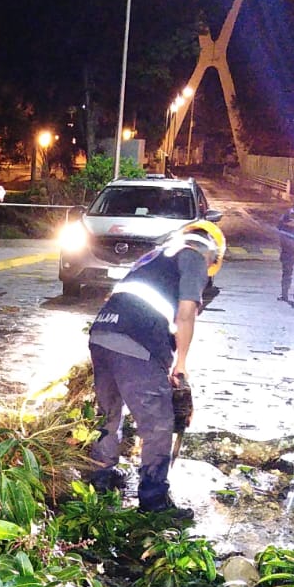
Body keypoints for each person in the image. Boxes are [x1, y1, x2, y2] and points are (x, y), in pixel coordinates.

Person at [87, 220, 226, 519]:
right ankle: (154, 501)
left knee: (108, 413)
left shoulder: (151, 258)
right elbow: (186, 314)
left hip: (101, 334)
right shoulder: (193, 257)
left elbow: (114, 298)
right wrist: (181, 364)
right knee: (159, 423)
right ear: (212, 255)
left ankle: (100, 478)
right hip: (137, 341)